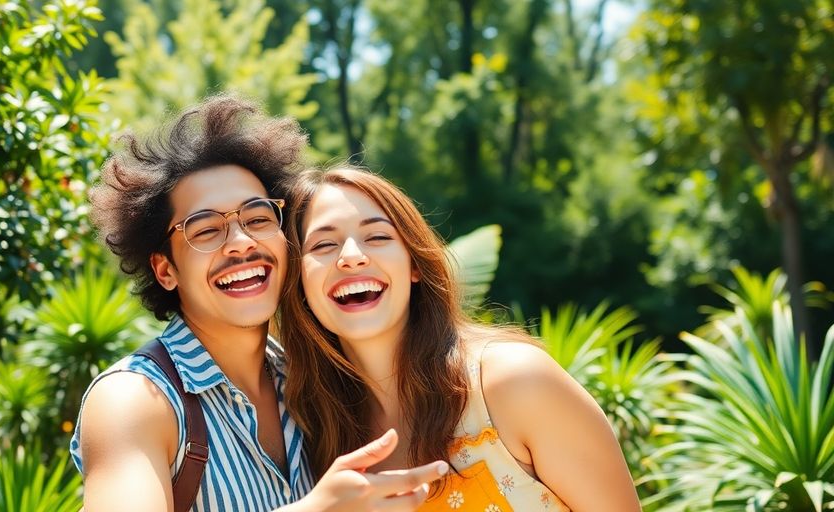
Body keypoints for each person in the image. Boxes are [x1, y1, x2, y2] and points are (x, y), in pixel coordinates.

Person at [70, 97, 449, 511]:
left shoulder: (309, 380)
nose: (241, 243)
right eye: (206, 229)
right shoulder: (134, 400)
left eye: (257, 219)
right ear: (165, 270)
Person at [279, 166, 642, 511]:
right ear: (299, 283)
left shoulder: (514, 382)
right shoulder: (313, 433)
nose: (352, 257)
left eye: (377, 236)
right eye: (324, 245)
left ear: (415, 265)